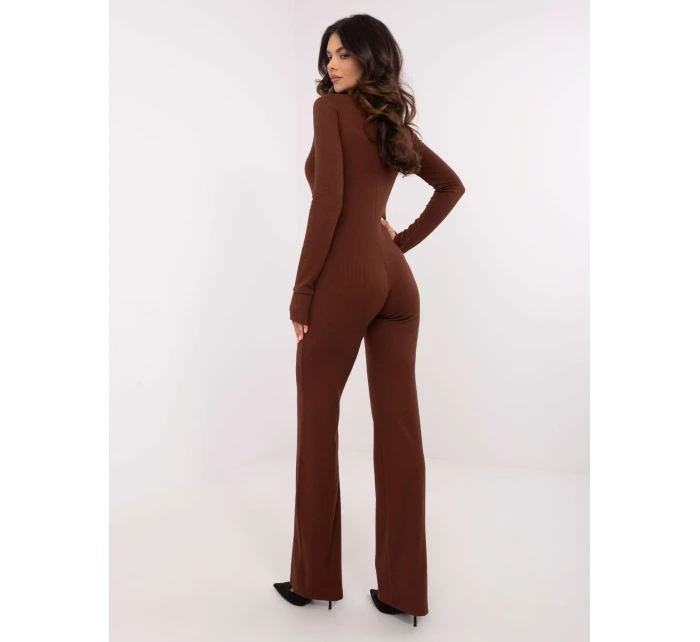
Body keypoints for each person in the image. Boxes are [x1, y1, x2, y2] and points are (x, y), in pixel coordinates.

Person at [273, 13, 465, 628]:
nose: (332, 65)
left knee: (317, 421)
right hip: (396, 284)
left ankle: (313, 579)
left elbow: (329, 201)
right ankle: (404, 591)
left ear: (369, 57)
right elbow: (450, 186)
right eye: (327, 54)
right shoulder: (391, 122)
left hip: (346, 279)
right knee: (400, 430)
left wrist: (303, 292)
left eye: (344, 53)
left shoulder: (329, 110)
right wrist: (396, 245)